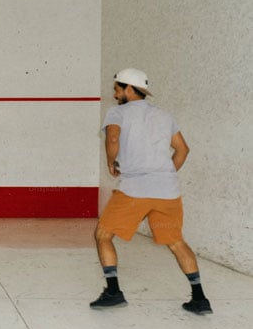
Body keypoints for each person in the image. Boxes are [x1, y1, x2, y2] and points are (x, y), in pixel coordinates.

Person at [90, 68, 212, 315]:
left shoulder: (117, 112)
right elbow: (183, 150)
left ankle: (113, 292)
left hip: (135, 190)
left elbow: (112, 139)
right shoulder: (164, 116)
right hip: (167, 192)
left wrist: (111, 162)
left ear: (128, 89)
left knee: (102, 234)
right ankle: (200, 299)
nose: (114, 94)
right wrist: (164, 174)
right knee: (177, 242)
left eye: (117, 88)